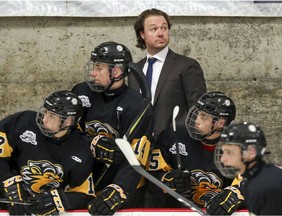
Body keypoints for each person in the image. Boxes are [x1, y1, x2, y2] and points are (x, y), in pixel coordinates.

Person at [71, 41, 153, 215]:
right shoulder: (80, 92)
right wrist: (92, 142)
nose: (93, 73)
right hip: (85, 183)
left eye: (99, 68)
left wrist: (118, 190)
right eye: (93, 66)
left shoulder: (138, 106)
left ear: (116, 71)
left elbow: (136, 155)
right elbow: (68, 136)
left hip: (123, 185)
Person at [0, 90, 97, 215]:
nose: (44, 119)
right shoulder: (22, 122)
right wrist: (7, 180)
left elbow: (85, 195)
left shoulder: (81, 149)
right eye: (45, 112)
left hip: (42, 209)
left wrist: (61, 200)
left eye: (51, 115)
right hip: (8, 204)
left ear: (68, 121)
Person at [146, 91, 244, 215]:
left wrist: (234, 197)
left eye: (203, 116)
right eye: (197, 114)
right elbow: (150, 179)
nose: (196, 120)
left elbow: (251, 186)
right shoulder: (173, 136)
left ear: (220, 123)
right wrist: (166, 180)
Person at [128, 8, 207, 140]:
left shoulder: (186, 65)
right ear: (142, 34)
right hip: (140, 145)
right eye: (154, 29)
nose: (160, 33)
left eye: (164, 28)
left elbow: (198, 110)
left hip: (176, 144)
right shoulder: (134, 71)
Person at [214, 122, 282, 215]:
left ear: (251, 152)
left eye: (229, 152)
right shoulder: (253, 180)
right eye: (223, 151)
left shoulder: (267, 185)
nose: (222, 159)